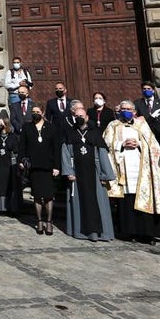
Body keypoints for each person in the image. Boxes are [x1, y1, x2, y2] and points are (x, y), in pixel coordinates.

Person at [104, 101, 160, 242]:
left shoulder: (142, 125)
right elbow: (106, 144)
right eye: (122, 109)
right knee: (127, 201)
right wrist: (121, 145)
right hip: (123, 168)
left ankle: (147, 233)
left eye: (128, 109)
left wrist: (139, 144)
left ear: (134, 111)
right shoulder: (113, 125)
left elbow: (153, 146)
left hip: (142, 169)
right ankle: (129, 232)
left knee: (143, 200)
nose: (125, 111)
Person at [60, 101, 115, 241]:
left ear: (86, 117)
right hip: (77, 174)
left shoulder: (95, 134)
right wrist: (69, 171)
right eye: (76, 115)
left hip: (95, 174)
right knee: (79, 201)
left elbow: (102, 154)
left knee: (98, 201)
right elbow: (65, 154)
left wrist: (105, 174)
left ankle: (100, 233)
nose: (79, 117)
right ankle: (80, 232)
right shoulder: (69, 134)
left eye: (81, 115)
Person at [18, 104, 59, 234]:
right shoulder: (27, 127)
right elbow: (22, 145)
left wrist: (57, 166)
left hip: (47, 166)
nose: (35, 113)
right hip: (34, 166)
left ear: (43, 113)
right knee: (36, 195)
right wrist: (21, 160)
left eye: (37, 111)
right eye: (33, 111)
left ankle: (49, 221)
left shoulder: (51, 128)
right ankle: (39, 221)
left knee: (48, 196)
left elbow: (56, 148)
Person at [0, 114, 19, 215]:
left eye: (2, 124)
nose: (0, 126)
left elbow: (16, 152)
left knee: (10, 185)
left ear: (6, 124)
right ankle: (0, 208)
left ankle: (11, 207)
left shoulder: (13, 137)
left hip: (10, 164)